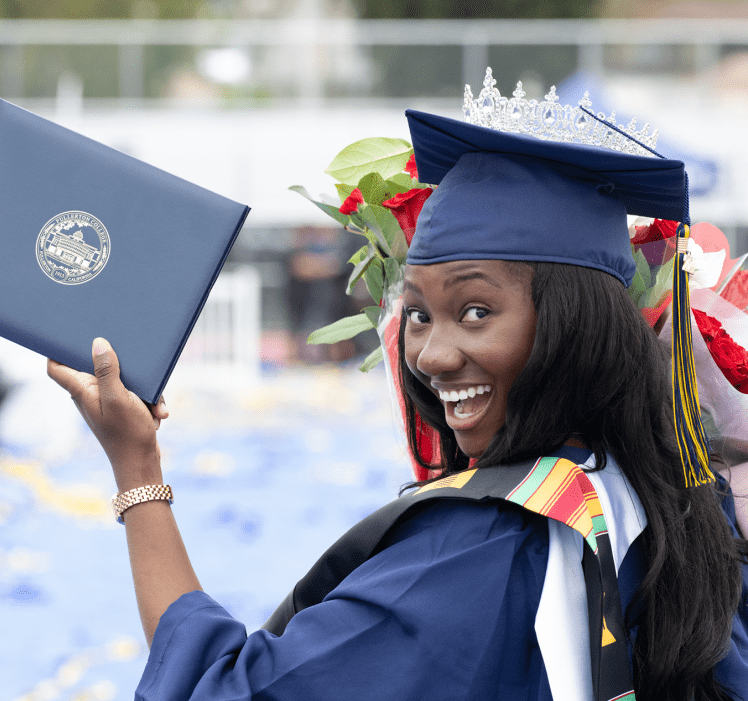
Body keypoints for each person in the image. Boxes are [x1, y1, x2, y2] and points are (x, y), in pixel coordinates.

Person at [47, 82, 748, 701]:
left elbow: (225, 689)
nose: (433, 354)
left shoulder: (477, 548)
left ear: (574, 327)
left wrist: (137, 473)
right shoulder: (671, 499)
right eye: (417, 313)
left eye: (475, 311)